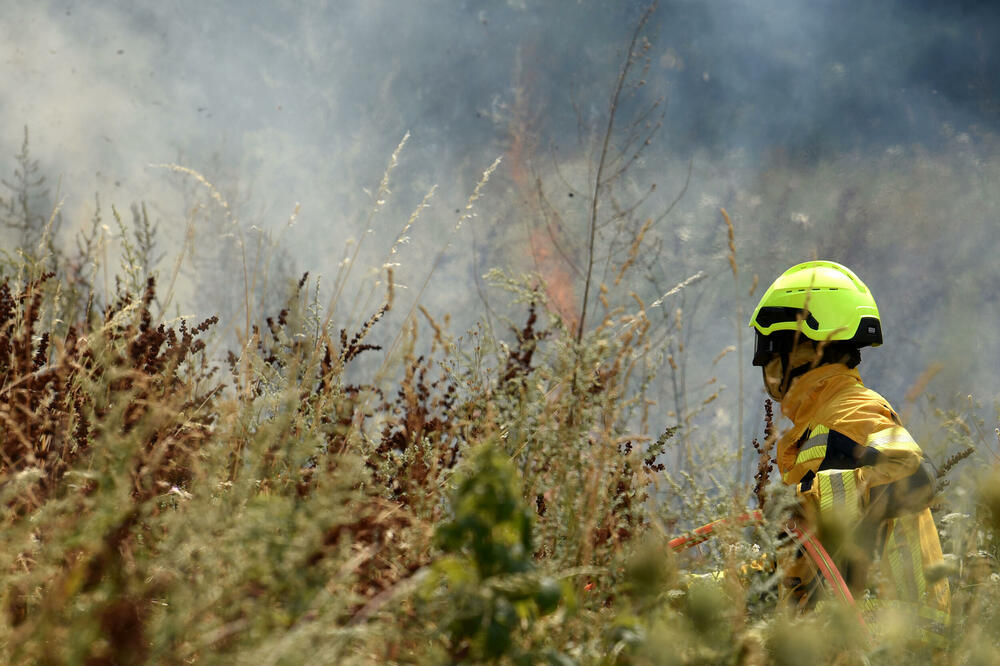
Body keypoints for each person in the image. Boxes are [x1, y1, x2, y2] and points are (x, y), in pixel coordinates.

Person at [749, 260, 949, 647]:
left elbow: (914, 477)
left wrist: (821, 506)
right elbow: (795, 566)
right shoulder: (816, 427)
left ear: (805, 350)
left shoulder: (854, 410)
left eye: (773, 358)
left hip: (888, 645)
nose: (770, 375)